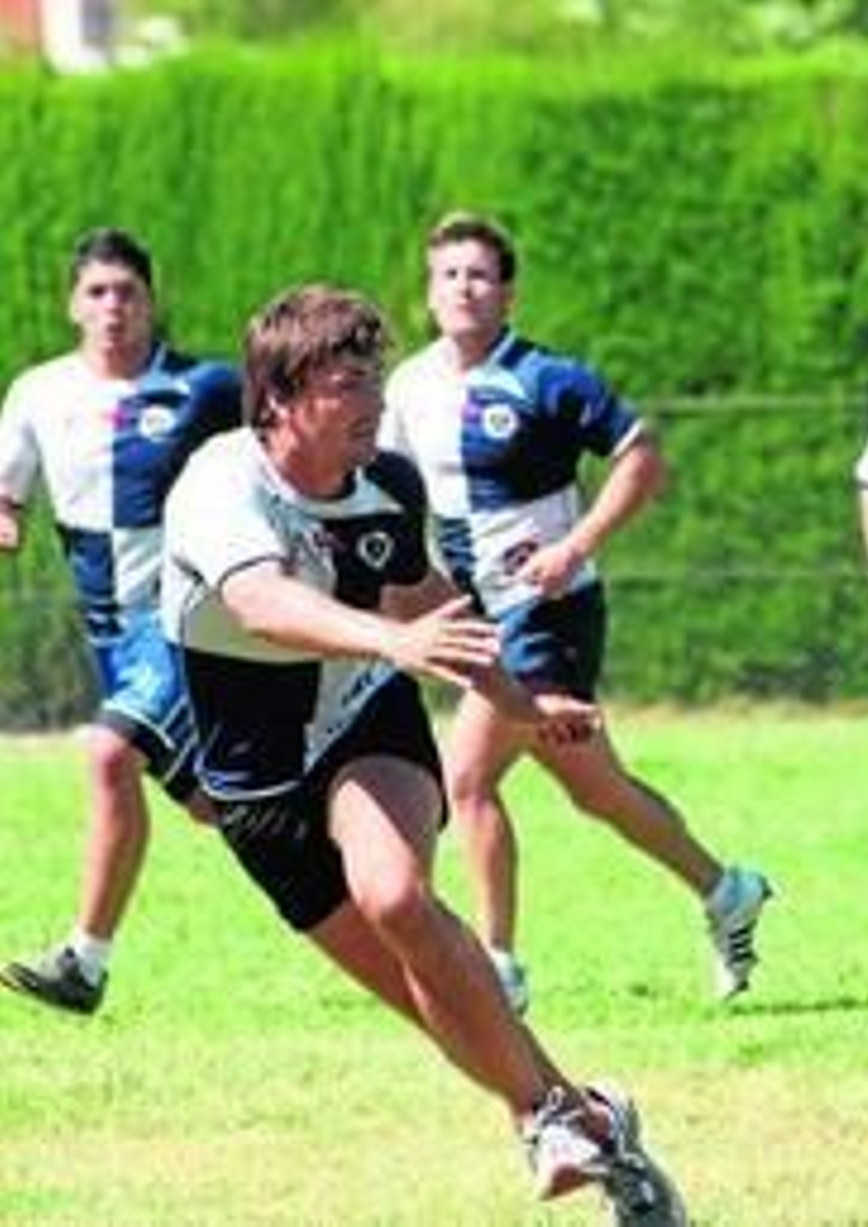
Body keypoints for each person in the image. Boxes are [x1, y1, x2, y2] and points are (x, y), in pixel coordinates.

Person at [159, 284, 685, 1222]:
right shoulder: (219, 479)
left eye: (372, 377)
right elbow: (258, 602)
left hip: (365, 722)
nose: (369, 399)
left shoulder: (389, 483)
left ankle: (547, 1119)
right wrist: (390, 638)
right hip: (255, 782)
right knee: (430, 997)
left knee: (398, 896)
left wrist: (525, 702)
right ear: (278, 396)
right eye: (343, 382)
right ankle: (591, 1122)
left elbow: (438, 611)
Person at [382, 212, 771, 1010]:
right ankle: (726, 889)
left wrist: (576, 545)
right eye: (449, 274)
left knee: (468, 777)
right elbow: (390, 492)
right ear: (429, 291)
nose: (464, 288)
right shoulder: (408, 386)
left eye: (480, 274)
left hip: (548, 610)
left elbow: (643, 453)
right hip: (474, 613)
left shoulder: (548, 378)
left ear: (508, 292)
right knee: (599, 791)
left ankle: (498, 967)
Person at [0, 228, 235, 1015]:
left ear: (150, 301)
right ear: (73, 304)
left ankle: (85, 961)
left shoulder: (203, 388)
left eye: (127, 292)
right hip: (110, 633)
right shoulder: (38, 392)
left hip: (182, 617)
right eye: (97, 292)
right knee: (212, 804)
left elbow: (284, 449)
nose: (113, 307)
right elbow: (7, 493)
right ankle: (368, 876)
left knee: (106, 754)